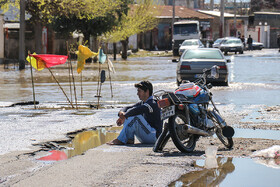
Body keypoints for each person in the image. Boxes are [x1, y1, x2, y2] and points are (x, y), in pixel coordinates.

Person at [107, 81, 162, 145]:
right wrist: (121, 113)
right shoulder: (143, 102)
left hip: (154, 137)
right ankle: (129, 139)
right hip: (148, 135)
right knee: (130, 113)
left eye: (139, 91)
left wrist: (125, 116)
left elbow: (138, 110)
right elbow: (128, 108)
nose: (137, 94)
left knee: (135, 116)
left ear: (147, 91)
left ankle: (121, 139)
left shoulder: (153, 103)